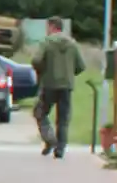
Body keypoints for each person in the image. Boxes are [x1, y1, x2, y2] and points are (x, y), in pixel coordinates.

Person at [32, 17, 86, 158]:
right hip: (66, 86)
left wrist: (42, 71)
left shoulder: (46, 42)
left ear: (52, 27)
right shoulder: (72, 44)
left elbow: (36, 60)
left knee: (40, 112)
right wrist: (69, 73)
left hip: (49, 84)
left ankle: (50, 139)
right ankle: (60, 149)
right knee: (63, 118)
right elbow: (81, 66)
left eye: (47, 27)